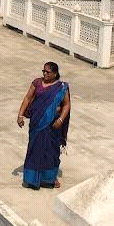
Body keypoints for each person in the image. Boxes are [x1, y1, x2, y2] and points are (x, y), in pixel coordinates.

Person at [17, 61, 70, 190]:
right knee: (34, 149)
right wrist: (20, 115)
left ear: (55, 73)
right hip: (37, 123)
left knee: (50, 151)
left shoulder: (61, 87)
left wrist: (61, 120)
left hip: (53, 126)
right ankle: (32, 178)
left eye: (48, 72)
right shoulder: (37, 83)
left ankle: (49, 178)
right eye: (43, 71)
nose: (45, 74)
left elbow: (66, 105)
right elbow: (27, 98)